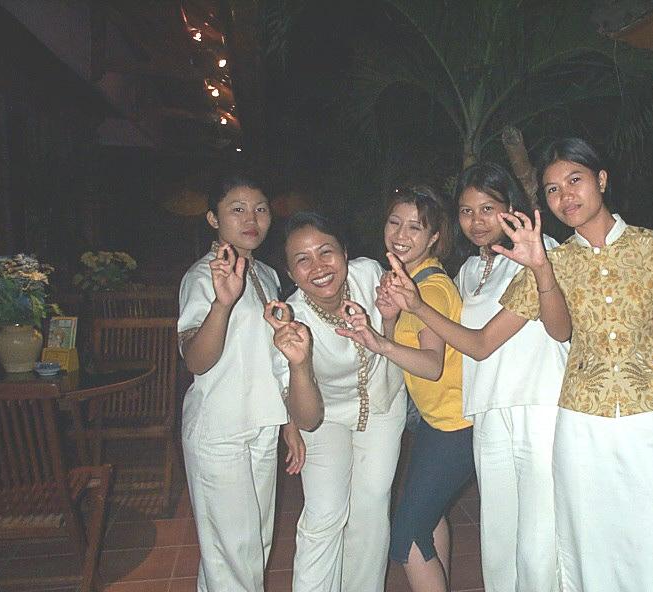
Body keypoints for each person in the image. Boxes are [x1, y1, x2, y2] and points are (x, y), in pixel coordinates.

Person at [387, 138, 653, 591]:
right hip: (578, 421)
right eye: (553, 189)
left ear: (602, 179)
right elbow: (558, 330)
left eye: (575, 180)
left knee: (651, 547)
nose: (566, 196)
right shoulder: (551, 258)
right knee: (583, 552)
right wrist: (542, 271)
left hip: (647, 416)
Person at [379, 164, 568, 591]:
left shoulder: (537, 256)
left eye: (487, 208)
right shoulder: (468, 272)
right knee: (499, 537)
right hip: (486, 413)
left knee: (540, 538)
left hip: (536, 409)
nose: (476, 221)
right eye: (466, 211)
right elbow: (452, 341)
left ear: (510, 207)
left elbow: (481, 344)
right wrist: (397, 315)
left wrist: (416, 307)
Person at [178, 173, 323, 592]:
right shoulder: (202, 277)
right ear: (213, 218)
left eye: (260, 209)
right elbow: (196, 360)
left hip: (260, 426)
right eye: (237, 209)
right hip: (220, 429)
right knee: (232, 553)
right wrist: (222, 305)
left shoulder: (266, 274)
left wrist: (288, 424)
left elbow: (275, 359)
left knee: (251, 546)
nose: (251, 218)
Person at [337, 185, 474, 592]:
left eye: (415, 227)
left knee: (407, 535)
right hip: (438, 423)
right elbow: (408, 348)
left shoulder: (430, 288)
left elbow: (431, 365)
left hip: (456, 427)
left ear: (434, 237)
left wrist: (380, 342)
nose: (401, 234)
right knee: (428, 518)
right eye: (395, 222)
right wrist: (389, 319)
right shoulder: (409, 282)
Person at [280, 211, 407, 592]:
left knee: (371, 508)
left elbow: (397, 339)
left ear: (345, 252)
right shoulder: (292, 319)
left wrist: (388, 320)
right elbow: (307, 416)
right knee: (325, 512)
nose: (319, 267)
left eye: (326, 251)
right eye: (303, 260)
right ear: (290, 273)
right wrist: (299, 364)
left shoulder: (369, 276)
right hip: (324, 416)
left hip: (383, 404)